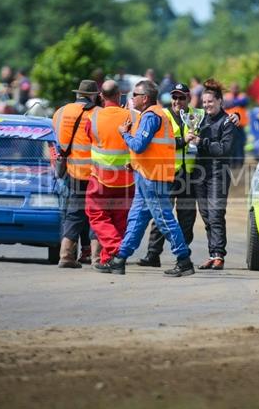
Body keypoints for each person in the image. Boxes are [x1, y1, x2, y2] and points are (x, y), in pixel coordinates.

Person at [96, 79, 195, 277]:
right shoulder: (149, 115)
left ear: (145, 98)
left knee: (164, 219)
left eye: (135, 95)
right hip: (145, 175)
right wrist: (134, 162)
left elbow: (139, 144)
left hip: (154, 178)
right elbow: (147, 149)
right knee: (136, 219)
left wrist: (124, 134)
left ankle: (184, 260)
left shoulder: (151, 116)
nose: (132, 98)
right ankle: (119, 259)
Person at [137, 83, 239, 268]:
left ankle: (182, 255)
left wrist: (235, 116)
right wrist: (182, 141)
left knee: (188, 218)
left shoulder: (198, 114)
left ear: (188, 98)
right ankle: (153, 254)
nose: (177, 101)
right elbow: (157, 142)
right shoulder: (163, 115)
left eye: (181, 97)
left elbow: (218, 114)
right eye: (174, 97)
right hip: (168, 173)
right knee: (162, 214)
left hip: (191, 174)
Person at [85, 80, 136, 268]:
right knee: (120, 218)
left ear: (101, 96)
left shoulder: (94, 118)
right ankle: (108, 261)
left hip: (101, 178)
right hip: (127, 178)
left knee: (96, 214)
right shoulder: (132, 116)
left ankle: (115, 250)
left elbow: (89, 134)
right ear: (119, 95)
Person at [186, 79, 235, 270]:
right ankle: (212, 254)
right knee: (206, 215)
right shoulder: (200, 119)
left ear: (220, 101)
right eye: (204, 102)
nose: (207, 105)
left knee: (216, 215)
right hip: (200, 174)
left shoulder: (227, 122)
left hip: (218, 175)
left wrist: (201, 142)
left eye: (210, 102)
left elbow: (225, 149)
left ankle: (219, 256)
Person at [51, 79, 100, 268]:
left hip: (71, 171)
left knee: (73, 214)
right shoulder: (97, 114)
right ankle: (96, 258)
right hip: (95, 173)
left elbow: (57, 139)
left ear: (77, 94)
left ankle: (65, 256)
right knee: (97, 214)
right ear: (94, 95)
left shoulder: (60, 112)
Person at [223, 82, 249, 169]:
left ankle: (240, 163)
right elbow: (224, 104)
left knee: (240, 144)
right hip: (229, 125)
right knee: (231, 144)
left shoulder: (242, 96)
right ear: (230, 89)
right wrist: (234, 102)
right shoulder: (227, 96)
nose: (234, 90)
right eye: (233, 88)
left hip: (240, 125)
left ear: (238, 89)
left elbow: (244, 101)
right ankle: (232, 162)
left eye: (236, 88)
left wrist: (232, 102)